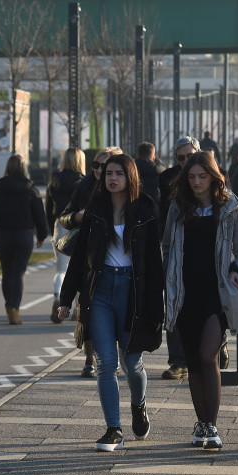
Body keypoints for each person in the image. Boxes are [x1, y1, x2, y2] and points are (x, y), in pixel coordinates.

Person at [57, 153, 164, 451]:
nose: (112, 178)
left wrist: (158, 309)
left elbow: (155, 265)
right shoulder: (95, 210)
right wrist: (66, 299)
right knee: (106, 362)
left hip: (133, 292)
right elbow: (79, 260)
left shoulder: (145, 209)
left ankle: (138, 404)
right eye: (108, 174)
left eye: (118, 173)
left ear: (130, 176)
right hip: (100, 291)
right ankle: (113, 428)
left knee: (132, 362)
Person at [162, 151, 238, 450]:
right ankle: (201, 423)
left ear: (214, 177)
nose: (197, 182)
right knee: (192, 361)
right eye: (191, 177)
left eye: (202, 176)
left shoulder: (229, 206)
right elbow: (167, 246)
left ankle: (212, 426)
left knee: (207, 356)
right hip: (185, 293)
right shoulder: (178, 207)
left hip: (217, 293)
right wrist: (169, 279)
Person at [59, 146, 123, 377]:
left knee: (113, 315)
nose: (100, 171)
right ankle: (89, 359)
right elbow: (65, 217)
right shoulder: (83, 187)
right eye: (97, 166)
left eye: (106, 167)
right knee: (87, 312)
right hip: (88, 260)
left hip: (117, 265)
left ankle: (110, 356)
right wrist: (77, 216)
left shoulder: (129, 194)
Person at [0, 154, 49, 325]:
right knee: (19, 273)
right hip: (24, 235)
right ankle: (15, 309)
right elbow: (40, 216)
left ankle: (8, 306)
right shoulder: (31, 190)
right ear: (24, 168)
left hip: (5, 235)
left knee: (7, 272)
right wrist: (41, 236)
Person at [157, 136, 200, 381]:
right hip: (174, 252)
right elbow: (164, 218)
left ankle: (213, 348)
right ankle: (178, 361)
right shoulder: (168, 179)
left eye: (189, 156)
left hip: (203, 255)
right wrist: (166, 255)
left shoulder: (213, 177)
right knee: (173, 307)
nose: (184, 162)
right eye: (180, 157)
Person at [45, 146, 86, 322]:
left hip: (60, 223)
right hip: (78, 224)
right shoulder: (84, 182)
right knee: (79, 267)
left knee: (61, 269)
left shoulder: (55, 180)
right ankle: (76, 306)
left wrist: (50, 226)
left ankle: (57, 297)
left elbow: (48, 206)